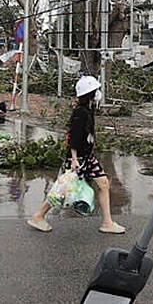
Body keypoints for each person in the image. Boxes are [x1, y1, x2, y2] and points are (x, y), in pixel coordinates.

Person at [27, 75, 126, 234]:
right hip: (78, 158)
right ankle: (38, 216)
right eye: (96, 91)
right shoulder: (80, 112)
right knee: (63, 189)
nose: (98, 93)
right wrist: (73, 159)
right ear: (91, 94)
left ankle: (107, 222)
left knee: (103, 183)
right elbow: (73, 137)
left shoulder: (86, 109)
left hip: (86, 157)